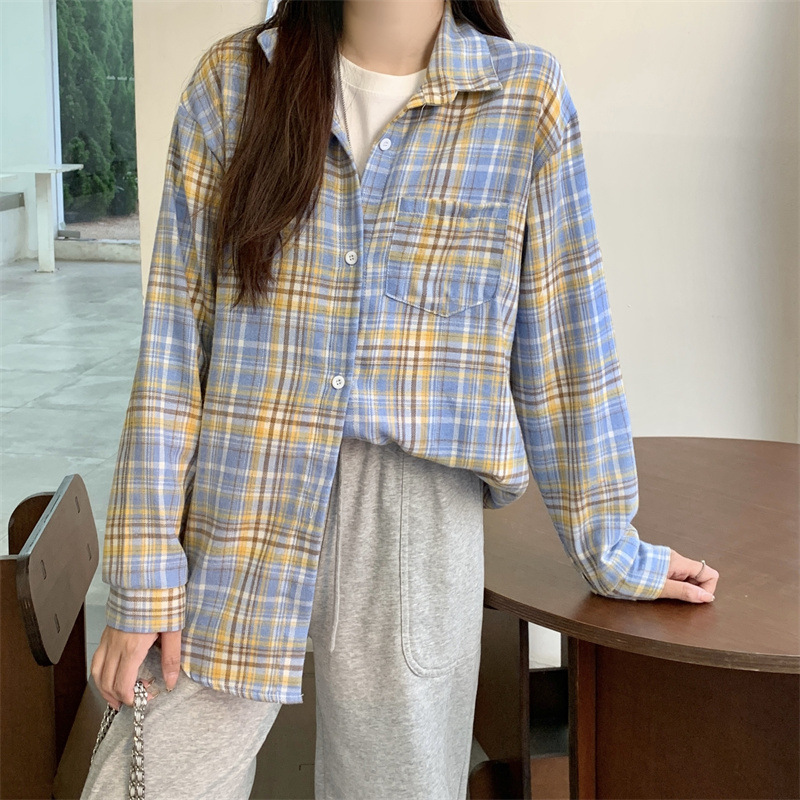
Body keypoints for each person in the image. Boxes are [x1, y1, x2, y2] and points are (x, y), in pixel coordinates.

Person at [82, 0, 720, 798]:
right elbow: (175, 346)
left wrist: (611, 547)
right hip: (240, 498)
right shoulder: (233, 84)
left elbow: (566, 343)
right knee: (147, 781)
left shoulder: (524, 98)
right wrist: (143, 574)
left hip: (414, 528)